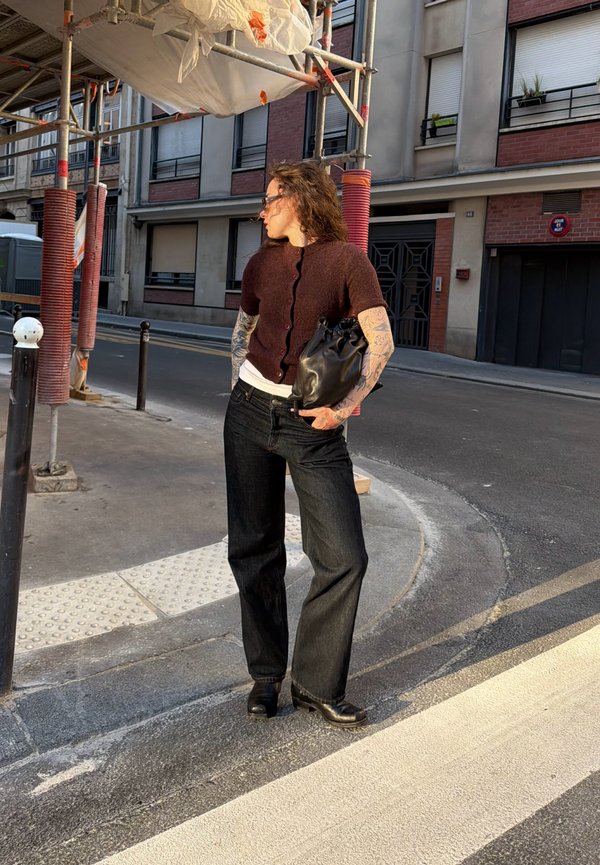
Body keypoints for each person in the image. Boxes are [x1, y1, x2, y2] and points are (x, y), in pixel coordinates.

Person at [224, 160, 394, 729]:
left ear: (299, 198)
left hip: (313, 427)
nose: (262, 211)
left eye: (270, 199)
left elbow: (381, 343)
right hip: (248, 415)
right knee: (254, 549)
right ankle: (266, 676)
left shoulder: (347, 262)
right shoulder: (259, 263)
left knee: (344, 557)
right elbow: (243, 332)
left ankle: (317, 685)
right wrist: (239, 388)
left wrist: (343, 409)